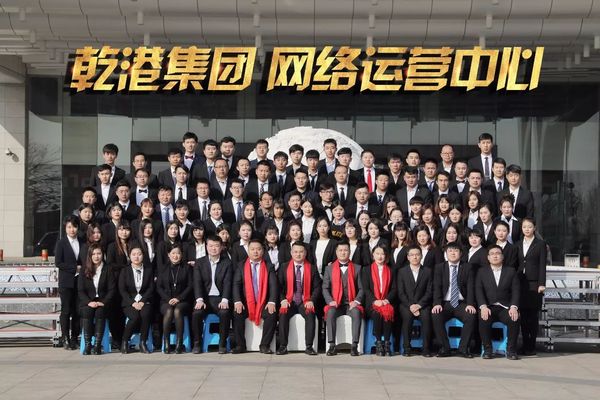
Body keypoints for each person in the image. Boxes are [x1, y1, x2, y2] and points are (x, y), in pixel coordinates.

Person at [232, 239, 279, 354]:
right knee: (237, 313)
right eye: (252, 249)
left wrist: (272, 301)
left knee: (272, 314)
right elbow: (236, 284)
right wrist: (237, 301)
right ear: (248, 251)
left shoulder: (268, 266)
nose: (255, 252)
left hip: (263, 302)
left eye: (258, 249)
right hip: (246, 303)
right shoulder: (241, 265)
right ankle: (240, 345)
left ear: (263, 251)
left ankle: (264, 345)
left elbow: (274, 285)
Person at [431, 242, 476, 358]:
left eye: (456, 251)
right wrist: (437, 303)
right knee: (436, 315)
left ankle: (463, 349)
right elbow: (437, 287)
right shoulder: (439, 267)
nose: (453, 253)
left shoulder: (467, 267)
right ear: (446, 253)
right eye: (450, 251)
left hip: (461, 303)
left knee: (471, 316)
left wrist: (470, 304)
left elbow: (471, 287)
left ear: (460, 253)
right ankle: (444, 348)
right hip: (445, 303)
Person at [276, 242, 322, 355]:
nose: (298, 254)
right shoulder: (284, 267)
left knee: (310, 314)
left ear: (305, 253)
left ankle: (309, 346)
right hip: (289, 300)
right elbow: (278, 287)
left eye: (301, 252)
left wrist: (311, 300)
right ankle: (283, 346)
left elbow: (317, 287)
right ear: (291, 253)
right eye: (295, 252)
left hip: (305, 301)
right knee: (283, 314)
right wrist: (283, 300)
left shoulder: (312, 268)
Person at [476, 245, 520, 360]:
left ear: (502, 256)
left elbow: (516, 291)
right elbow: (479, 290)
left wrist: (513, 307)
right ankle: (487, 350)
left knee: (514, 318)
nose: (495, 256)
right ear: (488, 257)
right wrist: (483, 306)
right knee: (483, 318)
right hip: (489, 307)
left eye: (498, 253)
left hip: (505, 307)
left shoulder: (510, 271)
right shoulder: (482, 271)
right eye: (492, 254)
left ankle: (511, 350)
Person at [191, 235, 233, 354]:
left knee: (225, 313)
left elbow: (228, 282)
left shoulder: (227, 263)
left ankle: (222, 344)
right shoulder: (200, 262)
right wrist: (199, 299)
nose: (213, 248)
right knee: (196, 313)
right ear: (206, 247)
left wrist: (225, 300)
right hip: (204, 298)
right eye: (211, 246)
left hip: (219, 298)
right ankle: (197, 343)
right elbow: (197, 282)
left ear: (221, 247)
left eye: (216, 246)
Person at [322, 241, 364, 356]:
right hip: (336, 304)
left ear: (349, 252)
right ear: (336, 252)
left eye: (345, 250)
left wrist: (356, 301)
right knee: (330, 313)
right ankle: (332, 345)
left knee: (356, 313)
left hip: (351, 304)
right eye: (340, 250)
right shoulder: (329, 269)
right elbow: (325, 288)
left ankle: (354, 346)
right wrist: (330, 301)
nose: (343, 252)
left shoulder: (357, 268)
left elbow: (361, 288)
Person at [517, 218, 546, 356]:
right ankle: (524, 344)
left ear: (534, 228)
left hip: (535, 284)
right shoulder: (518, 244)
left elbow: (542, 265)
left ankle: (531, 346)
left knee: (533, 317)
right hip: (521, 283)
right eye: (524, 227)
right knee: (523, 316)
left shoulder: (540, 244)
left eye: (529, 226)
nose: (527, 229)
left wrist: (542, 284)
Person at [396, 246, 433, 357]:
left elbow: (429, 291)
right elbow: (401, 292)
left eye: (417, 254)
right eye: (412, 255)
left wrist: (419, 305)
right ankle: (407, 348)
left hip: (423, 304)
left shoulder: (427, 271)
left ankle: (426, 348)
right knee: (407, 318)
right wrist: (411, 305)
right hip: (406, 304)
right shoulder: (402, 272)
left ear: (421, 256)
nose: (415, 257)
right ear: (408, 257)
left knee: (426, 318)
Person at [156, 244, 193, 354]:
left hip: (183, 301)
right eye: (173, 253)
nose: (175, 256)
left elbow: (190, 286)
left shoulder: (187, 268)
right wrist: (168, 299)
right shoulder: (163, 268)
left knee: (177, 310)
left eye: (178, 253)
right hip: (166, 300)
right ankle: (166, 342)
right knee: (168, 310)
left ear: (181, 255)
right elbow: (159, 287)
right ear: (168, 254)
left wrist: (179, 298)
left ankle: (179, 343)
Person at [78, 243, 114, 355]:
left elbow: (112, 289)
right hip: (88, 301)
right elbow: (81, 290)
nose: (96, 256)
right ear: (90, 255)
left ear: (102, 254)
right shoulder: (84, 269)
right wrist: (89, 302)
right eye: (93, 254)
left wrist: (103, 302)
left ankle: (97, 345)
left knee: (100, 312)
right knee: (87, 311)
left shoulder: (108, 269)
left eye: (99, 253)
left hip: (103, 302)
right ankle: (88, 345)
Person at [119, 244, 155, 354]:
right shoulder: (125, 271)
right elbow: (122, 290)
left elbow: (151, 288)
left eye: (139, 254)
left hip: (145, 301)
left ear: (143, 256)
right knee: (134, 317)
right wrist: (133, 302)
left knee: (145, 315)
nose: (136, 257)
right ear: (129, 256)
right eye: (134, 254)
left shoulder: (148, 270)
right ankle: (125, 341)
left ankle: (143, 343)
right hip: (129, 302)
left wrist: (143, 301)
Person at [55, 215, 84, 350]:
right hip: (66, 282)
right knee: (66, 310)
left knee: (77, 311)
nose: (72, 230)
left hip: (79, 281)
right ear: (65, 228)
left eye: (74, 227)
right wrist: (75, 268)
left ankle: (74, 338)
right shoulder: (61, 243)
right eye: (69, 227)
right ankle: (65, 337)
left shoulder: (82, 241)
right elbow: (58, 263)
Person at [362, 245, 396, 356]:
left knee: (388, 312)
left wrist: (386, 300)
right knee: (377, 313)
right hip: (372, 303)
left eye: (382, 254)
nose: (380, 256)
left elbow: (394, 289)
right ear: (373, 255)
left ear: (386, 256)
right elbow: (366, 289)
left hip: (386, 302)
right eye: (377, 253)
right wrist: (374, 300)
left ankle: (387, 344)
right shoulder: (366, 269)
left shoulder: (391, 270)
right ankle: (378, 343)